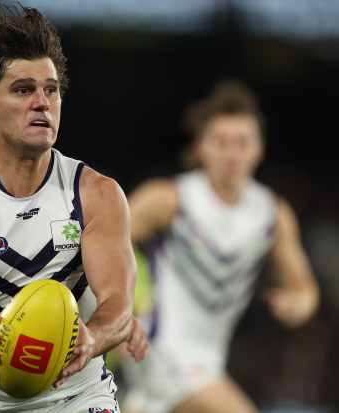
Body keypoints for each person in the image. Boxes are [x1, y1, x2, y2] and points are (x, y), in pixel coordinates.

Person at [0, 3, 147, 412]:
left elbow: (118, 302)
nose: (42, 102)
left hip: (79, 399)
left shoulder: (96, 194)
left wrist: (92, 338)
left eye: (52, 89)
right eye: (23, 90)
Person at [119, 79, 320, 413]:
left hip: (208, 361)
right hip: (158, 350)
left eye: (242, 142)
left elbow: (305, 289)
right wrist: (125, 305)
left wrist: (298, 303)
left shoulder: (273, 215)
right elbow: (101, 243)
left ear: (259, 149)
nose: (231, 152)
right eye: (221, 141)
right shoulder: (170, 199)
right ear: (201, 147)